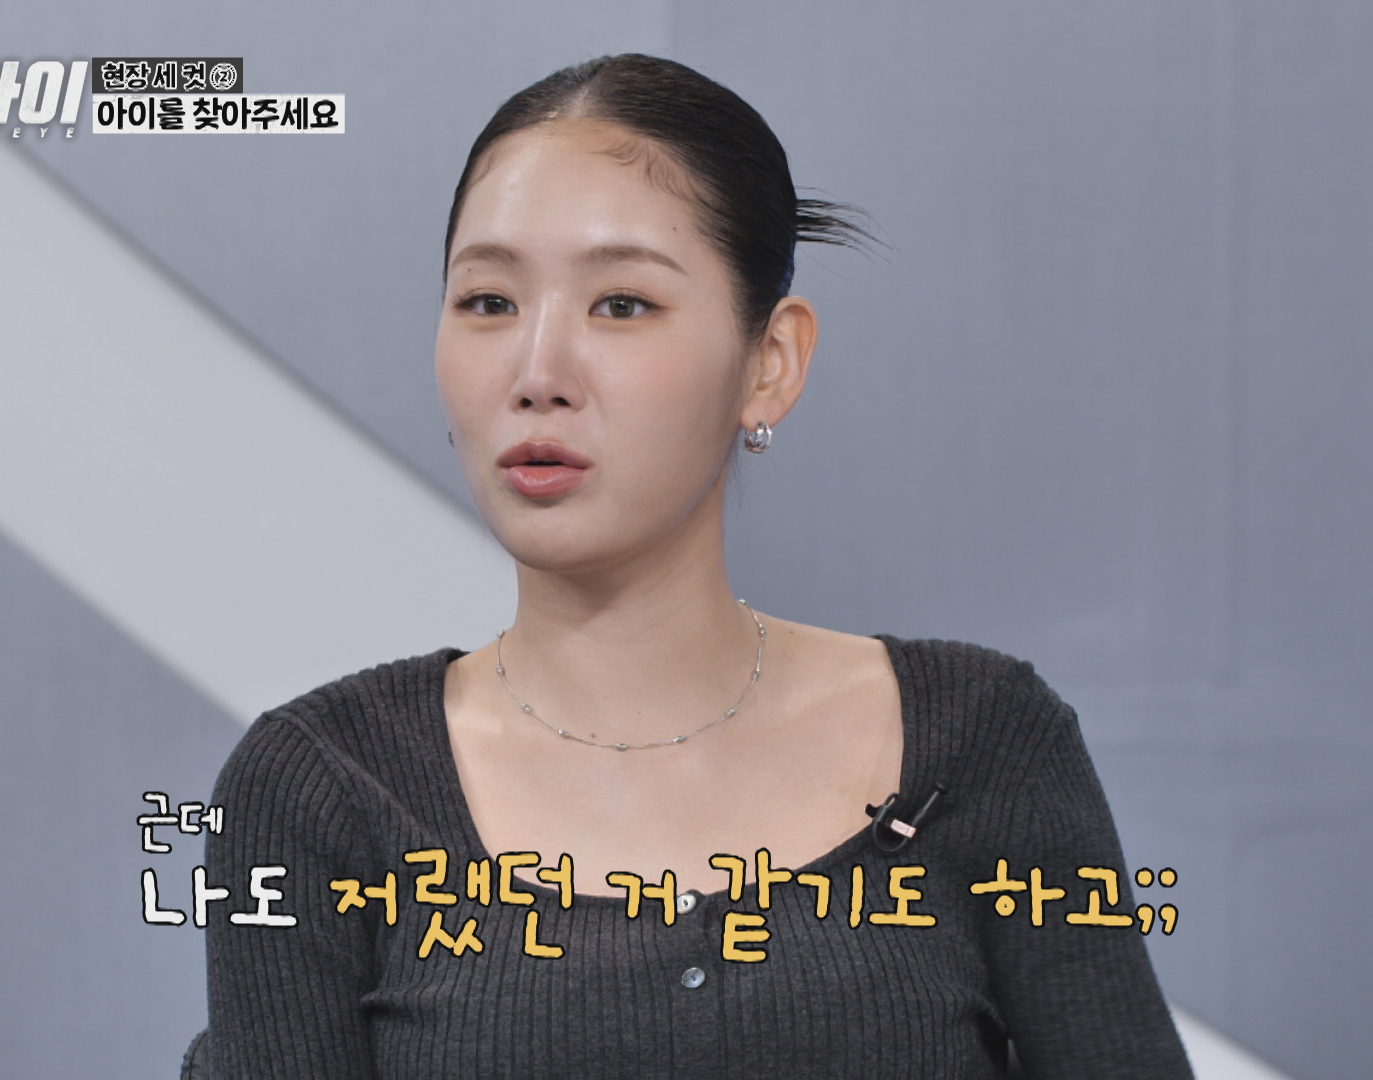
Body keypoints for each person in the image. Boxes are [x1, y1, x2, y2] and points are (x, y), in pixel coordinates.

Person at [195, 53, 1193, 1079]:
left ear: (770, 362)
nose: (537, 374)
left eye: (622, 305)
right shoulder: (318, 790)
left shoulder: (984, 742)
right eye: (489, 302)